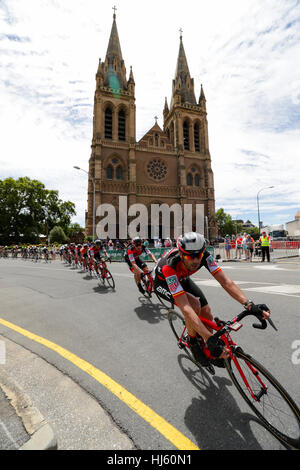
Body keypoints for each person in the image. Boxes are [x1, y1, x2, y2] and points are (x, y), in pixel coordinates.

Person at [154, 232, 271, 368]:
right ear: (181, 254)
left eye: (198, 255)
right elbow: (185, 306)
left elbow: (225, 282)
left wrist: (249, 304)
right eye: (189, 256)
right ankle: (192, 341)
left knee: (207, 313)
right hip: (163, 282)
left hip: (182, 277)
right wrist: (209, 338)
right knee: (193, 305)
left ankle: (208, 350)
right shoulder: (170, 266)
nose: (195, 261)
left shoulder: (205, 257)